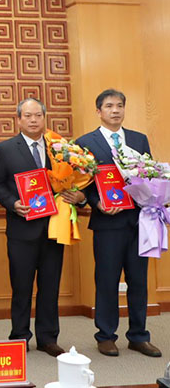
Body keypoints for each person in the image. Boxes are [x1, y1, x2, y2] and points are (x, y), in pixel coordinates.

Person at [0, 97, 80, 357]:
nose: (33, 120)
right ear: (18, 119)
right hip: (21, 228)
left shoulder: (59, 148)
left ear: (44, 118)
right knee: (21, 286)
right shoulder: (6, 149)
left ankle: (48, 338)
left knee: (50, 285)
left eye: (37, 115)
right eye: (27, 116)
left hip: (54, 227)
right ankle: (19, 336)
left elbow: (70, 181)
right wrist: (13, 203)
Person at [75, 89, 162, 358]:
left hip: (138, 222)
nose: (116, 110)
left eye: (120, 106)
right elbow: (81, 182)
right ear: (98, 111)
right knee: (107, 279)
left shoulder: (138, 139)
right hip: (107, 222)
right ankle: (106, 336)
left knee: (138, 281)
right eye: (109, 106)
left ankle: (138, 336)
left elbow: (149, 175)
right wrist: (95, 202)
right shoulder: (85, 142)